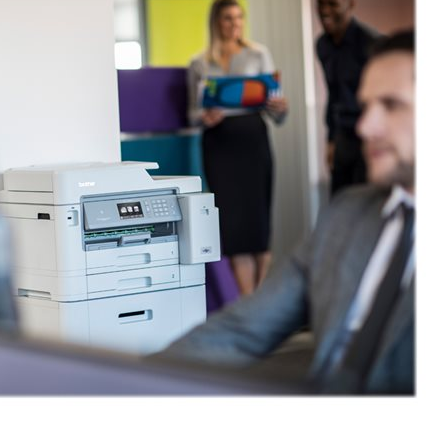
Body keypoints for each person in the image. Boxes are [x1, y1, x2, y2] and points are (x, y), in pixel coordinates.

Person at [158, 30, 416, 394]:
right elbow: (240, 331)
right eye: (366, 106)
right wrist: (122, 383)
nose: (364, 126)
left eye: (391, 105)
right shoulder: (347, 216)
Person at [187, 0, 288, 295]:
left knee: (259, 225)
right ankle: (248, 301)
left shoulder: (258, 54)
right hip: (219, 146)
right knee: (233, 228)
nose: (235, 24)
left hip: (253, 141)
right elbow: (191, 114)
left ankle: (259, 302)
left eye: (239, 17)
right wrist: (204, 117)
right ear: (216, 22)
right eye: (228, 19)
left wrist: (280, 107)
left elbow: (278, 114)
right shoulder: (199, 63)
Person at [316, 0, 383, 195]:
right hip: (342, 136)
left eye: (332, 4)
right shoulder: (322, 45)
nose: (324, 10)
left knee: (368, 202)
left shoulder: (372, 43)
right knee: (340, 200)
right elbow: (333, 93)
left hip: (368, 136)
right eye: (320, 3)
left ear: (350, 4)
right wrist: (331, 140)